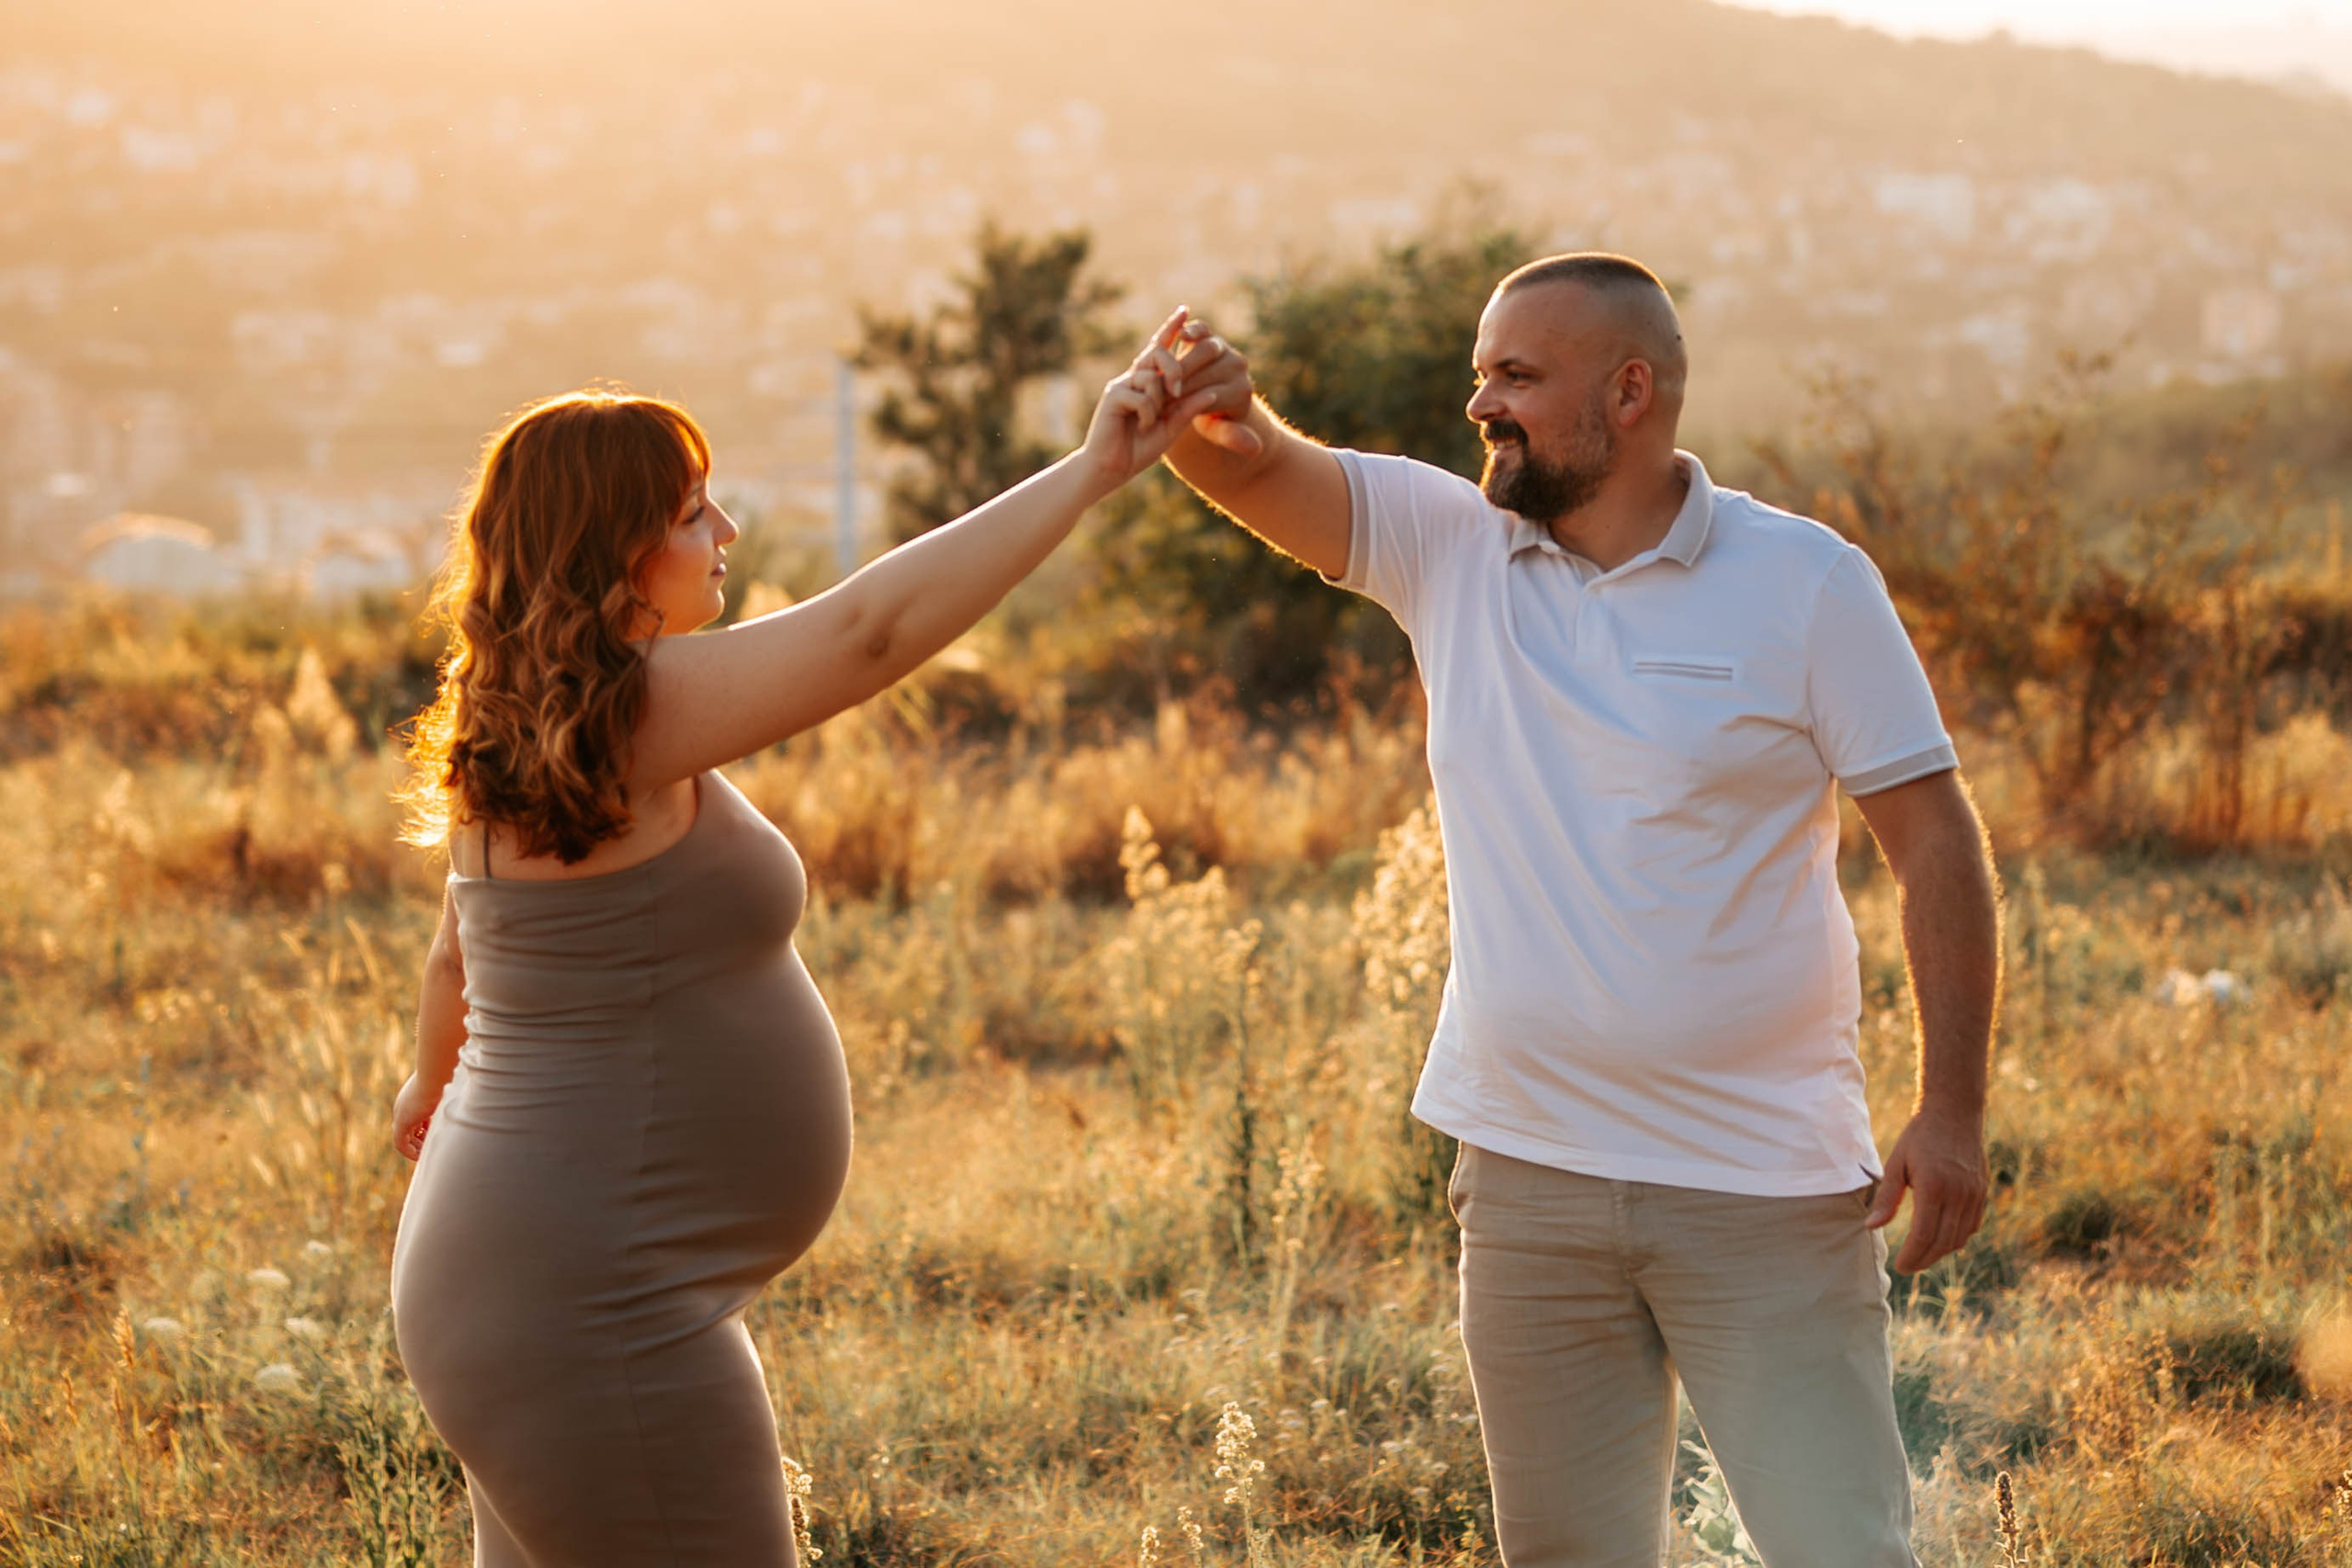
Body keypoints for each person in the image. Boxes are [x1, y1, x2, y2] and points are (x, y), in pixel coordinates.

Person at [1159, 255, 1998, 1565]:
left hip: (1762, 1186)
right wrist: (1214, 409)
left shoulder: (1807, 584)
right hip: (1530, 1178)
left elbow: (1935, 843)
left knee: (1839, 1548)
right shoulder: (1453, 549)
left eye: (1516, 376)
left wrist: (1951, 1111)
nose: (1481, 402)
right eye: (1480, 370)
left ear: (1630, 390)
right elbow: (1252, 468)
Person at [386, 310, 1220, 1568]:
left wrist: (430, 1083)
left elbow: (459, 954)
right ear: (610, 549)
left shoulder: (521, 728)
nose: (725, 534)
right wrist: (1094, 468)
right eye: (691, 514)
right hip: (586, 1301)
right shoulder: (618, 719)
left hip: (537, 1281)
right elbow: (867, 632)